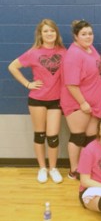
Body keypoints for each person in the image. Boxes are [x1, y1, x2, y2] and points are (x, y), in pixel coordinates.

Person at [8, 19, 66, 183]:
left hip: (56, 100)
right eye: (46, 31)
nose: (49, 34)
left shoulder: (63, 52)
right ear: (40, 34)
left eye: (52, 31)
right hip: (37, 99)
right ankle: (42, 168)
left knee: (53, 136)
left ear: (56, 33)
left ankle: (53, 168)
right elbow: (12, 66)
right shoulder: (34, 52)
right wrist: (28, 83)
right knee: (40, 135)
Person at [60, 20, 101, 180]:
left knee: (91, 138)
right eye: (83, 34)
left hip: (93, 103)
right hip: (78, 104)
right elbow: (71, 84)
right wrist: (83, 103)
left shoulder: (89, 48)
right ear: (75, 37)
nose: (88, 37)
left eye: (90, 33)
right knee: (78, 137)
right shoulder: (73, 55)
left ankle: (86, 168)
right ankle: (74, 170)